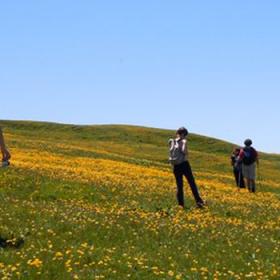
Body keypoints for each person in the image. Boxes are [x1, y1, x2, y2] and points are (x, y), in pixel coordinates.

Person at [169, 127, 205, 208]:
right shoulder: (183, 141)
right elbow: (184, 151)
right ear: (183, 134)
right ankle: (199, 202)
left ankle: (180, 204)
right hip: (184, 165)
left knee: (179, 185)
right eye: (185, 135)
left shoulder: (172, 141)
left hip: (175, 166)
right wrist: (184, 143)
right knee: (192, 183)